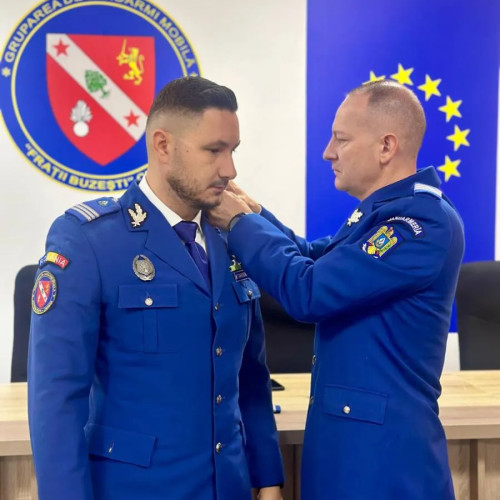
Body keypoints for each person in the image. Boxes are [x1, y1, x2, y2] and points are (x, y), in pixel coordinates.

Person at [28, 76, 284, 500]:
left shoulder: (233, 236)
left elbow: (251, 375)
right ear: (162, 145)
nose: (230, 170)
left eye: (233, 151)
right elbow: (56, 399)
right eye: (214, 150)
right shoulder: (89, 240)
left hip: (230, 486)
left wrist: (268, 477)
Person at [207, 80, 464, 499]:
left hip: (380, 464)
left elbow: (309, 290)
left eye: (341, 139)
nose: (328, 152)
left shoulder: (418, 224)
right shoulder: (384, 214)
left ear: (386, 147)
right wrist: (254, 213)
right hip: (349, 451)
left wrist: (238, 224)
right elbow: (312, 257)